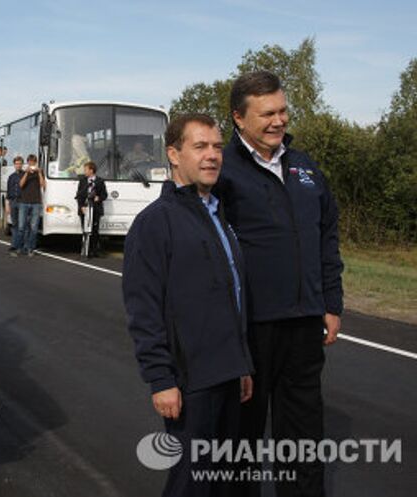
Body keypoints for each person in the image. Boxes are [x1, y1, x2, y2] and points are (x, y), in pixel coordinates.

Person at [215, 71, 344, 497]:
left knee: (304, 438)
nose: (278, 120)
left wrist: (331, 302)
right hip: (251, 327)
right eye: (266, 113)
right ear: (238, 117)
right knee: (242, 442)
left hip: (304, 323)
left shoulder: (304, 166)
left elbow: (327, 235)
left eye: (283, 110)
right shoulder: (223, 170)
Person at [123, 113, 253, 497]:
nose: (212, 155)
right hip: (191, 381)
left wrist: (242, 362)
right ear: (174, 155)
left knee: (226, 480)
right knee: (192, 481)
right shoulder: (154, 223)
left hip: (230, 373)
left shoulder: (220, 217)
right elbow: (143, 310)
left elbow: (234, 297)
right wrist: (161, 380)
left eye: (216, 147)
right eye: (200, 147)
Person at [12, 154, 46, 256]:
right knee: (21, 226)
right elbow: (21, 185)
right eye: (30, 162)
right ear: (28, 162)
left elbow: (43, 185)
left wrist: (39, 173)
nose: (32, 164)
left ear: (36, 163)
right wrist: (27, 173)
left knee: (34, 228)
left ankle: (30, 249)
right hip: (24, 202)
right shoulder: (23, 172)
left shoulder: (40, 172)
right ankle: (18, 248)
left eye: (33, 162)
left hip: (36, 202)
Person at [75, 161, 108, 257]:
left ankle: (95, 250)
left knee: (94, 230)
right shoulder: (82, 181)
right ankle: (85, 250)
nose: (84, 171)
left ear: (91, 170)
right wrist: (81, 206)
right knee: (85, 230)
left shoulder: (100, 181)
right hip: (85, 208)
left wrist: (99, 198)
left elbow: (104, 195)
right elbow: (79, 195)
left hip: (95, 209)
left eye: (86, 169)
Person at [6, 156, 24, 256]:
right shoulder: (11, 177)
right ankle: (14, 244)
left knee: (22, 225)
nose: (18, 165)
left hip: (22, 202)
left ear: (22, 164)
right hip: (13, 202)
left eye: (20, 163)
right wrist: (7, 205)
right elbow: (8, 192)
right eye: (16, 164)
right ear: (14, 165)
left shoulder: (25, 175)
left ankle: (20, 245)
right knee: (14, 224)